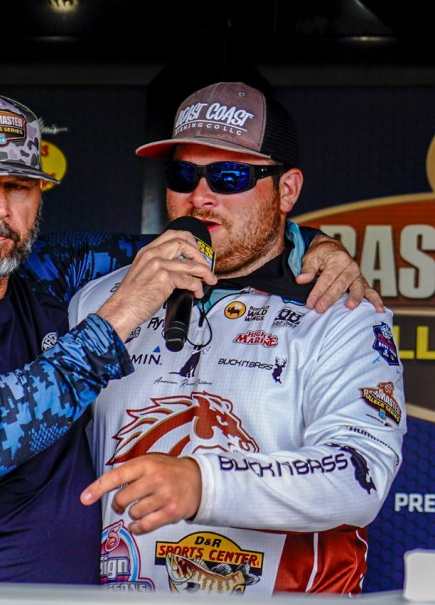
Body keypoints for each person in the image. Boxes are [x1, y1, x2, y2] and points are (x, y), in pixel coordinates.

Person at [0, 87, 374, 583]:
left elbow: (219, 240)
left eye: (19, 186)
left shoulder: (45, 273)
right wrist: (119, 315)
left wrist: (310, 244)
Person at [70, 82, 406, 595]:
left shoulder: (341, 316)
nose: (199, 197)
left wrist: (204, 483)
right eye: (183, 175)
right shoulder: (100, 301)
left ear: (286, 191)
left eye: (230, 176)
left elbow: (361, 475)